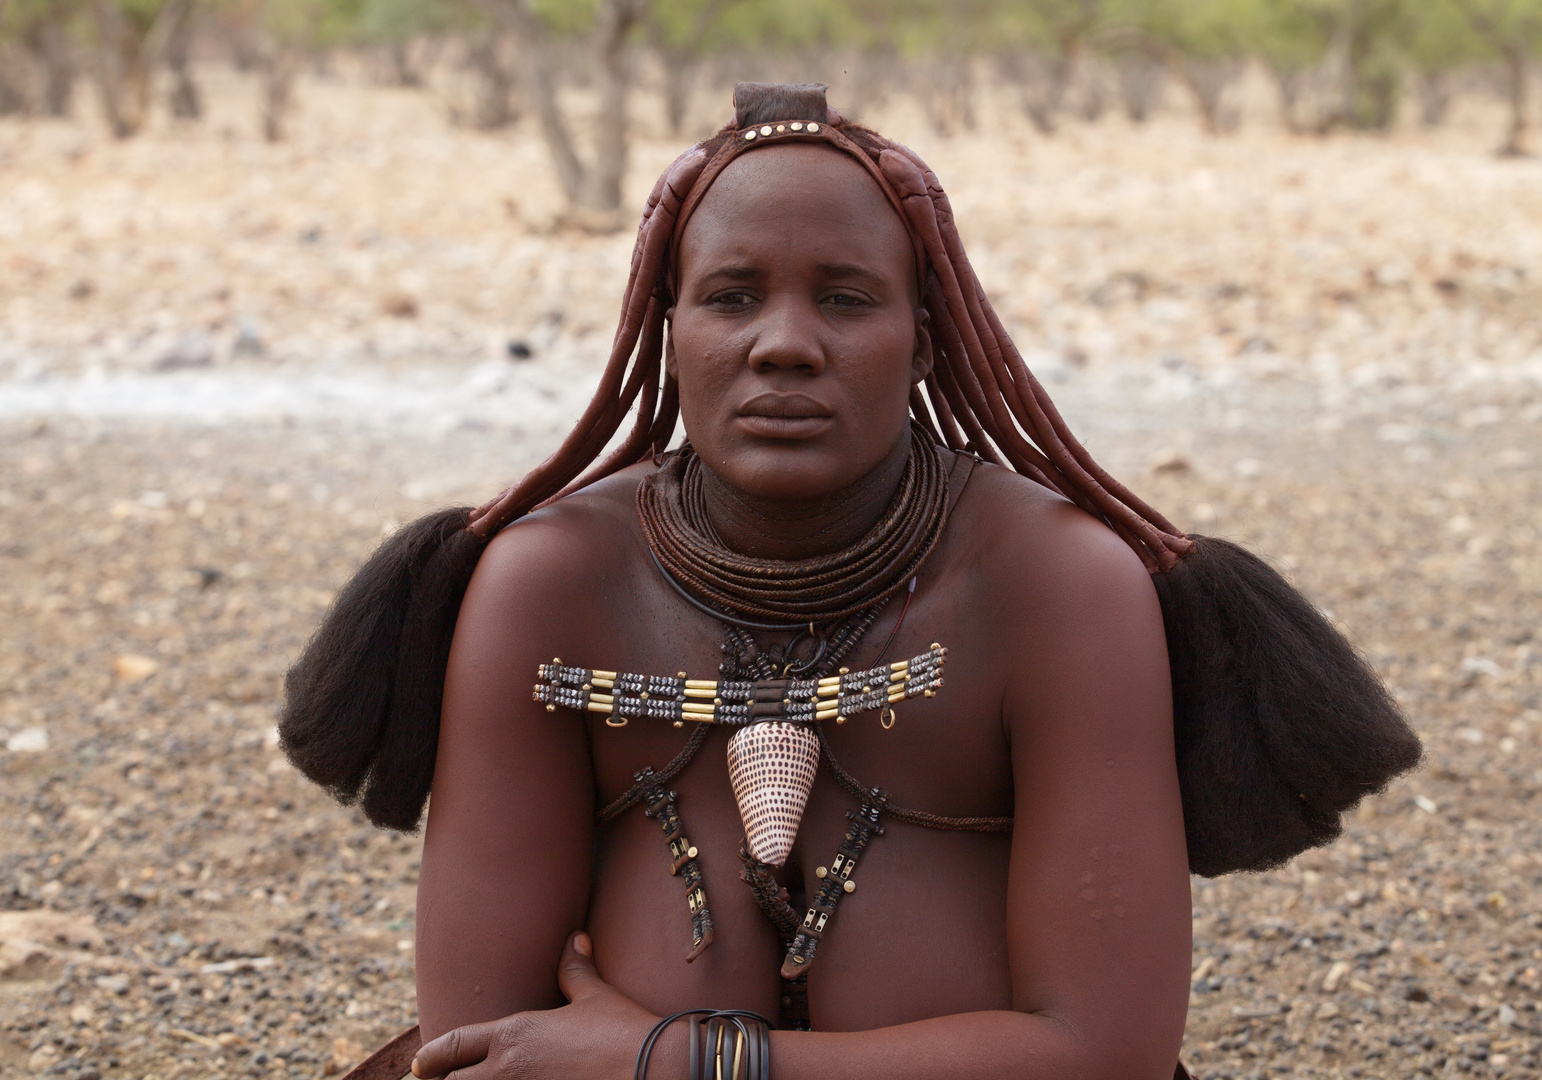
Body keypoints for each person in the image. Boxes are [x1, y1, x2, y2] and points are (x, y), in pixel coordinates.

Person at [280, 84, 1421, 1080]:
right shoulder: (549, 586)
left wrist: (680, 1062)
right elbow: (486, 1046)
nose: (784, 343)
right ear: (665, 330)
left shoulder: (1059, 584)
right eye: (730, 296)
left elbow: (1103, 1053)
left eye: (845, 297)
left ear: (925, 339)